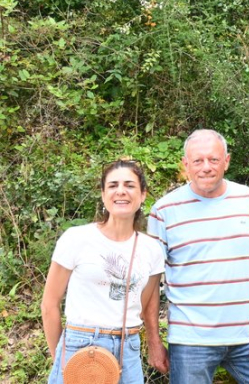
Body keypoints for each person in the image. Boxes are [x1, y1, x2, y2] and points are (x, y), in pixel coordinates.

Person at [144, 129, 249, 384]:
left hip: (248, 336)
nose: (206, 167)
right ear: (186, 165)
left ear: (227, 161)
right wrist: (154, 341)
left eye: (213, 159)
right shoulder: (163, 211)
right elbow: (151, 283)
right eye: (198, 161)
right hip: (190, 341)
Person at [41, 160, 165, 384]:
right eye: (113, 185)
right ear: (103, 194)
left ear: (143, 194)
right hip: (79, 342)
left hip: (127, 346)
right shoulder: (76, 238)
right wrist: (60, 357)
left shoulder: (152, 249)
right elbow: (50, 304)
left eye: (129, 185)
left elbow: (142, 305)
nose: (121, 191)